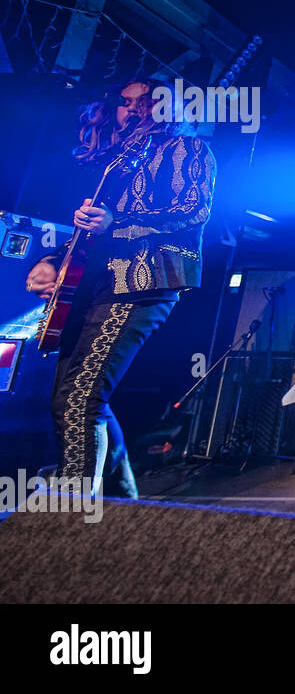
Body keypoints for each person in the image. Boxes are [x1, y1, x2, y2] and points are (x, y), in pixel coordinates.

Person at [25, 76, 216, 499]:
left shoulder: (186, 148)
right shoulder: (114, 160)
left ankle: (75, 499)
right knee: (74, 396)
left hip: (144, 280)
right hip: (93, 284)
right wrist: (52, 262)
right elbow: (89, 232)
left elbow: (194, 209)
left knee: (80, 397)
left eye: (144, 101)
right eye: (125, 102)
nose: (132, 108)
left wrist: (120, 223)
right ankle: (120, 499)